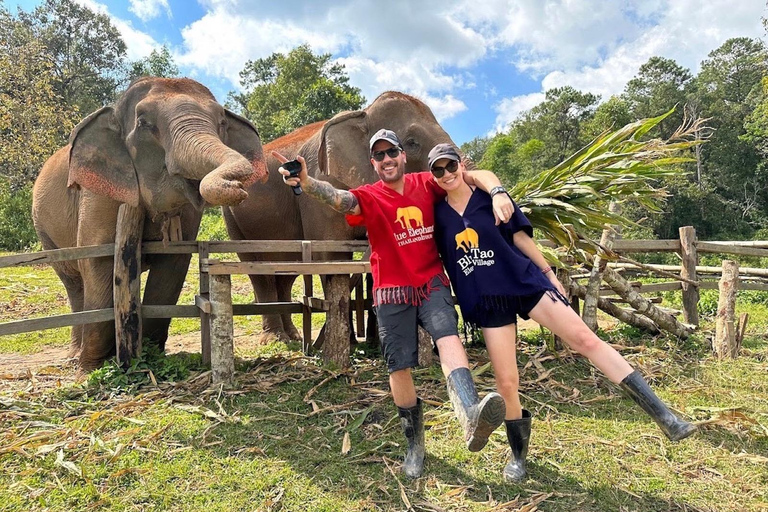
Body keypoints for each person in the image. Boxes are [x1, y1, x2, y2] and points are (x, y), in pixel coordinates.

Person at [427, 143, 697, 483]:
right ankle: (518, 456)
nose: (447, 174)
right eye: (438, 170)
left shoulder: (490, 197)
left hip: (523, 282)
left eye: (451, 165)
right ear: (433, 175)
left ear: (461, 164)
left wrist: (549, 273)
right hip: (487, 300)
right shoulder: (437, 214)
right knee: (507, 382)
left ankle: (664, 416)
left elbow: (521, 239)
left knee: (585, 339)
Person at [274, 129, 513, 479]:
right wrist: (306, 183)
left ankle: (470, 410)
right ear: (373, 163)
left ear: (403, 156)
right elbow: (340, 200)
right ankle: (414, 444)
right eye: (380, 155)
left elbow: (465, 175)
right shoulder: (370, 195)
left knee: (448, 337)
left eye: (392, 153)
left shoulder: (425, 183)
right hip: (391, 290)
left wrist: (496, 190)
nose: (387, 160)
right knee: (398, 367)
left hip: (431, 282)